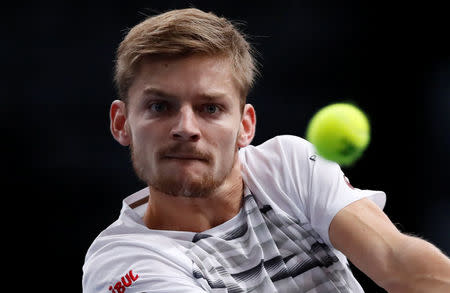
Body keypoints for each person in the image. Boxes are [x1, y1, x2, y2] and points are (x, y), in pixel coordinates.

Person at [82, 8, 450, 293]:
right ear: (121, 123)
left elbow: (398, 262)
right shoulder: (120, 262)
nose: (186, 129)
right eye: (160, 107)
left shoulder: (288, 166)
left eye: (210, 108)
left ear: (245, 126)